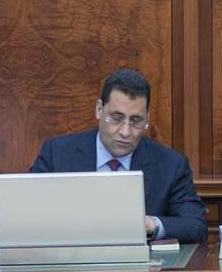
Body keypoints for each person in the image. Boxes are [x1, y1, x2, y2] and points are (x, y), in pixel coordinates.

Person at [28, 67, 206, 243]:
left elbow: (196, 226)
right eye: (116, 118)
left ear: (147, 118)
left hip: (137, 262)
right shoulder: (57, 153)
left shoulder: (171, 165)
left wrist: (152, 225)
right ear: (99, 110)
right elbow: (27, 212)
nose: (125, 132)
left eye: (136, 121)